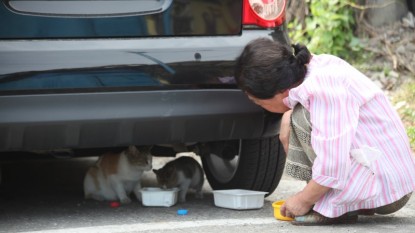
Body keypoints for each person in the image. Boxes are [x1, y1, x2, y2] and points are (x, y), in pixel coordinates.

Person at [234, 37, 415, 226]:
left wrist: (303, 200)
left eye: (259, 102)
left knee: (300, 117)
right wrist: (287, 115)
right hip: (379, 175)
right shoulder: (314, 68)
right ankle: (334, 200)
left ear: (279, 92)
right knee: (293, 116)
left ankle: (335, 208)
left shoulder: (323, 90)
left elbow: (333, 164)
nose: (260, 107)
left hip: (388, 189)